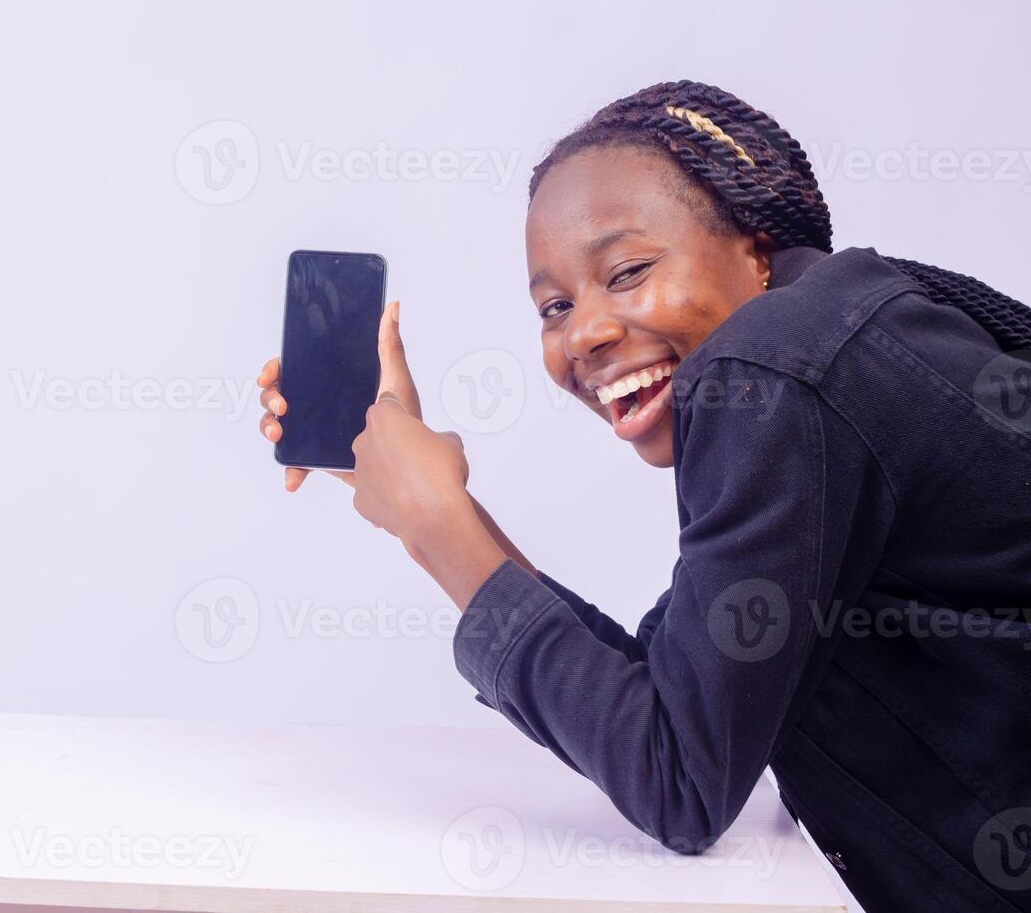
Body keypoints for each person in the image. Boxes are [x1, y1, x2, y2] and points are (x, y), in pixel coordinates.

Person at [255, 80, 1031, 913]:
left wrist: (434, 525)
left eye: (626, 271)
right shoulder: (819, 348)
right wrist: (439, 512)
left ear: (755, 251)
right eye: (555, 306)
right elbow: (667, 697)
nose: (582, 333)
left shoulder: (773, 370)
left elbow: (678, 783)